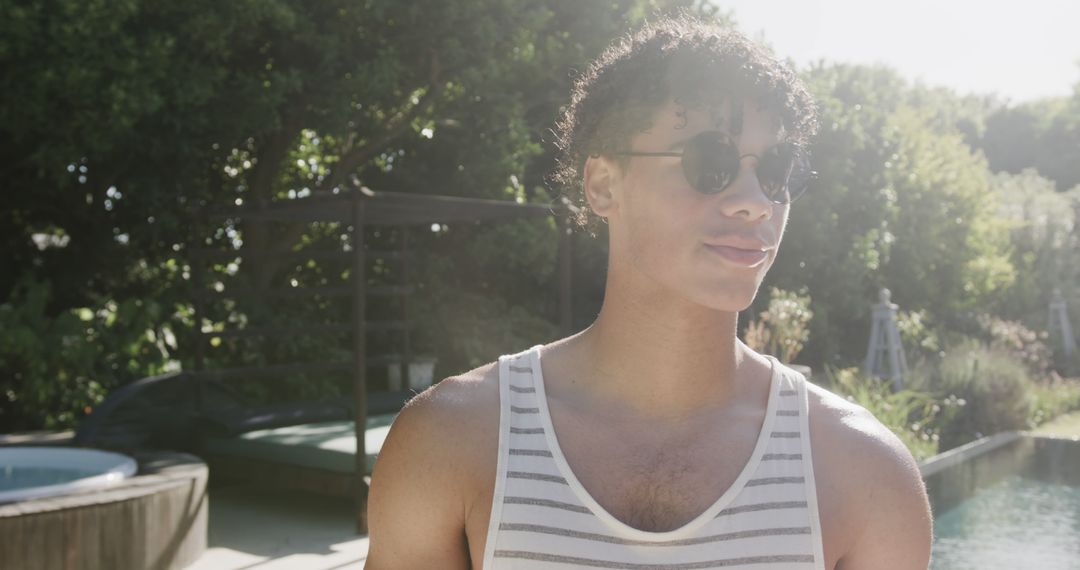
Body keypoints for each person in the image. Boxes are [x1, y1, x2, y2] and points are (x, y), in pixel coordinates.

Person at [365, 15, 932, 570]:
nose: (756, 200)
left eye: (778, 171)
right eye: (711, 160)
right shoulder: (449, 442)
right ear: (604, 183)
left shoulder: (864, 474)